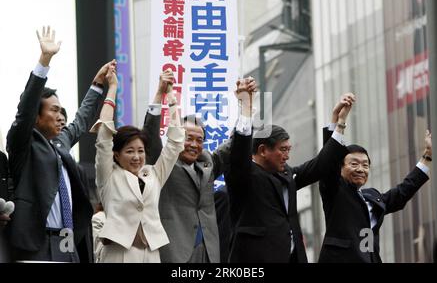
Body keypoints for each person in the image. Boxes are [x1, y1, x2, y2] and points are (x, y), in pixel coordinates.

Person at [6, 26, 111, 262]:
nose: (61, 116)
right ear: (37, 116)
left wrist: (97, 85)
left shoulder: (60, 143)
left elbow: (81, 121)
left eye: (62, 111)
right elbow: (25, 110)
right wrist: (45, 60)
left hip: (68, 241)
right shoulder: (24, 142)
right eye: (54, 110)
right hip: (36, 242)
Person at [225, 80, 353, 263]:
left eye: (289, 150)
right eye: (283, 150)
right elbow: (239, 150)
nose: (287, 156)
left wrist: (338, 122)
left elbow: (321, 165)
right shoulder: (244, 175)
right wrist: (246, 106)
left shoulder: (287, 175)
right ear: (262, 150)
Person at [144, 79, 257, 263]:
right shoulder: (164, 164)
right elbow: (149, 135)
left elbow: (235, 144)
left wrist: (245, 104)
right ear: (177, 137)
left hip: (208, 253)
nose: (194, 145)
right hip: (173, 252)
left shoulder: (208, 164)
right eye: (189, 138)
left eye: (199, 140)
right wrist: (160, 93)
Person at [318, 96, 432, 263]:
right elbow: (327, 163)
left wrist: (427, 156)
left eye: (365, 165)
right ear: (340, 168)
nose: (360, 169)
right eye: (354, 164)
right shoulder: (335, 190)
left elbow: (402, 192)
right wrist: (338, 120)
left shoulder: (372, 197)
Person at [91, 67, 184, 263]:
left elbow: (175, 144)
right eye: (129, 151)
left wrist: (168, 95)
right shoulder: (108, 175)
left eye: (140, 151)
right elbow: (104, 137)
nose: (136, 157)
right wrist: (113, 88)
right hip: (118, 253)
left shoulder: (153, 175)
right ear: (116, 155)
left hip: (151, 254)